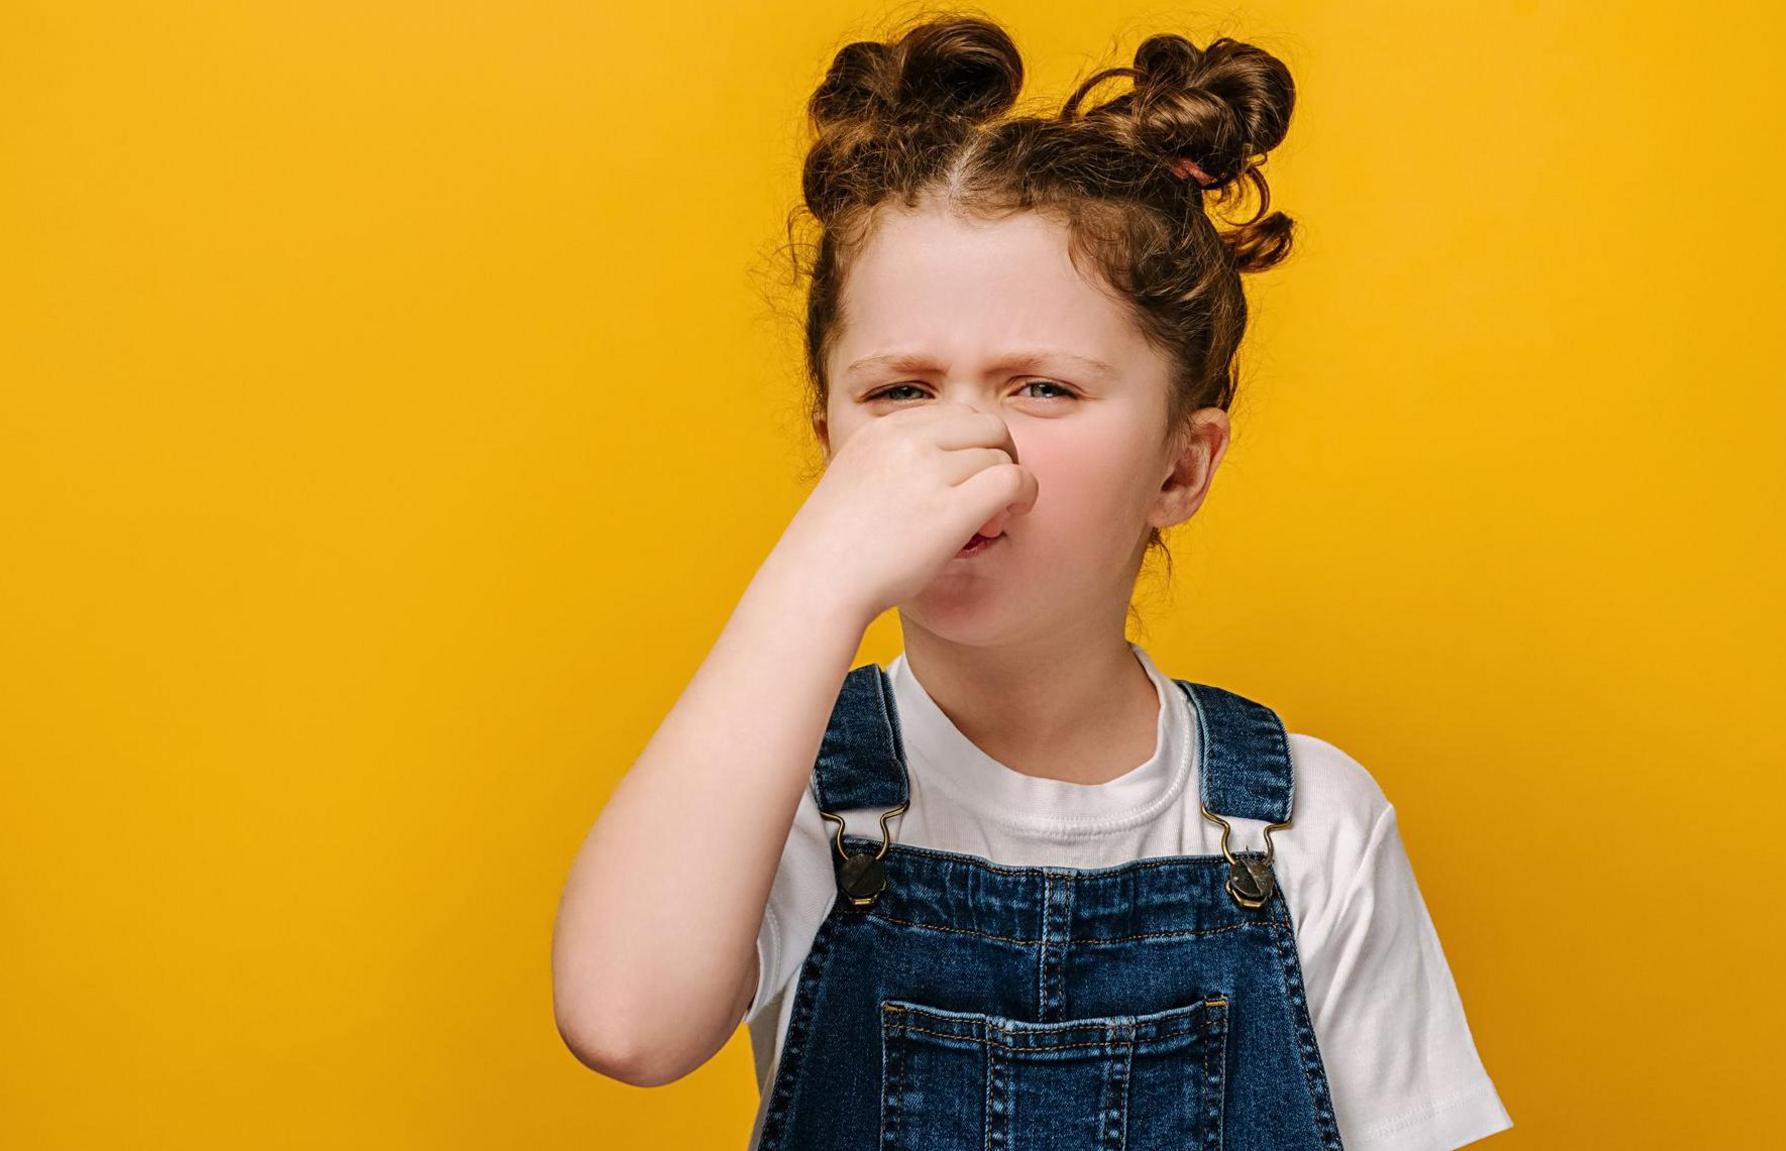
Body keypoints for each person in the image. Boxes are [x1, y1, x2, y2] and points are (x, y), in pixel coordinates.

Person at [552, 13, 1513, 1150]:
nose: (965, 445)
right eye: (899, 393)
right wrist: (813, 575)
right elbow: (624, 1021)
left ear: (1178, 463)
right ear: (829, 447)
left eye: (1042, 389)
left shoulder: (1307, 829)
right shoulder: (781, 801)